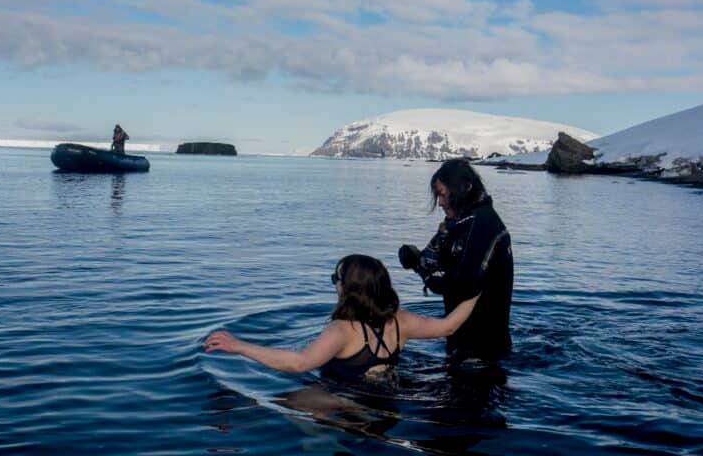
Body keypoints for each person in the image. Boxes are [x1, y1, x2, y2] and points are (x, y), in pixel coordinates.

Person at [203, 254, 480, 380]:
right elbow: (449, 326)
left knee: (292, 403)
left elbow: (299, 363)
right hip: (390, 404)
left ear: (349, 288)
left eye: (336, 278)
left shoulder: (342, 330)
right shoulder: (400, 321)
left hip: (347, 405)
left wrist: (240, 346)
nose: (334, 283)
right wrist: (478, 288)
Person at [398, 158, 513, 361]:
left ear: (464, 188)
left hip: (482, 349)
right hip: (466, 344)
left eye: (443, 194)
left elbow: (463, 285)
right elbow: (437, 262)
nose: (440, 203)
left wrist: (421, 268)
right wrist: (417, 260)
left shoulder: (482, 223)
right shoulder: (461, 223)